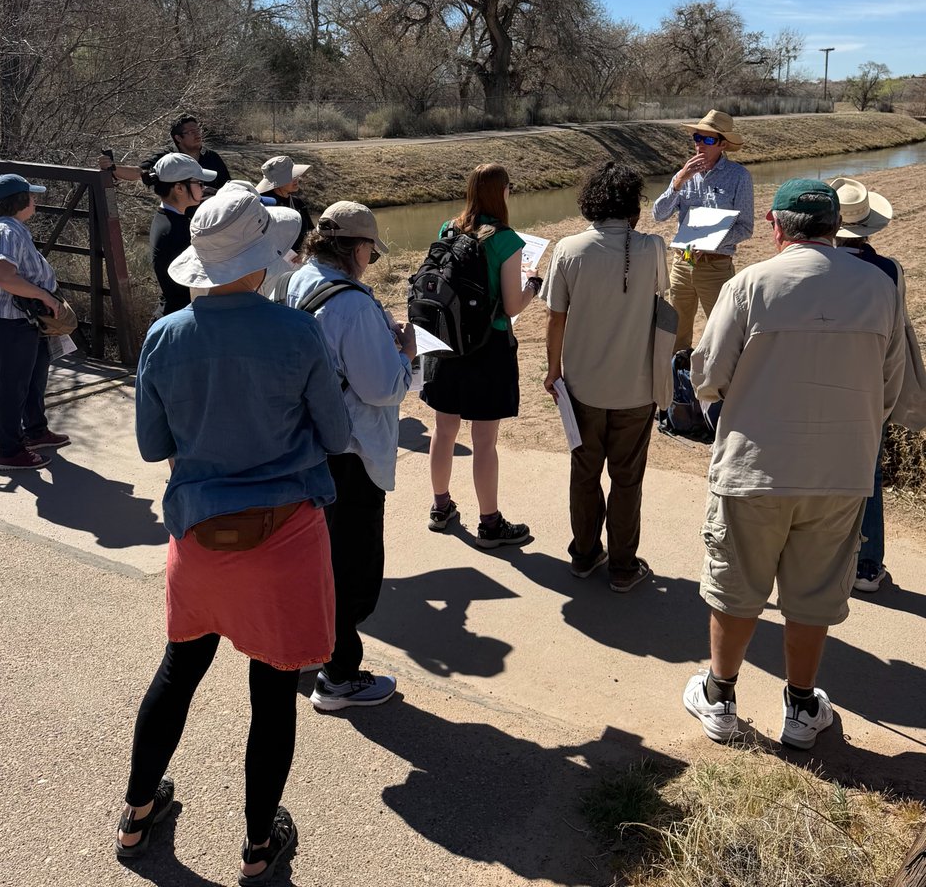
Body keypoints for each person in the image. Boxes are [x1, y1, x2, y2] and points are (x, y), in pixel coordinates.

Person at [117, 182, 350, 881]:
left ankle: (134, 816)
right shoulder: (297, 331)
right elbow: (336, 435)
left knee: (178, 670)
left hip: (199, 535)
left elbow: (152, 444)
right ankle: (256, 847)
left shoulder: (165, 335)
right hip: (283, 537)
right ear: (260, 257)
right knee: (273, 692)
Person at [683, 179, 904, 750]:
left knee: (736, 585)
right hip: (840, 471)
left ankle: (720, 697)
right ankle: (802, 708)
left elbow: (707, 375)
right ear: (835, 227)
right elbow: (891, 386)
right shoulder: (880, 289)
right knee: (813, 594)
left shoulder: (748, 284)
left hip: (754, 467)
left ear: (777, 228)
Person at [285, 201, 415, 710]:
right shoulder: (353, 305)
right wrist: (404, 350)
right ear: (358, 248)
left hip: (309, 442)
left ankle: (304, 651)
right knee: (352, 570)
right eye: (370, 252)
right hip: (352, 451)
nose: (370, 261)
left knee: (314, 559)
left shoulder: (297, 280)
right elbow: (382, 387)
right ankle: (339, 676)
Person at [541, 162, 666, 590]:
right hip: (637, 387)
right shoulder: (653, 247)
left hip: (582, 387)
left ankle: (584, 553)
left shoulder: (569, 249)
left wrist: (552, 370)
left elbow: (555, 319)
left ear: (590, 201)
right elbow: (661, 304)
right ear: (633, 204)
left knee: (585, 470)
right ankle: (623, 566)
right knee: (627, 479)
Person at [420, 163, 540, 548]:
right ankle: (490, 523)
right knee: (484, 441)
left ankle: (440, 507)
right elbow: (511, 304)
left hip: (445, 343)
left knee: (444, 429)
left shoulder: (447, 228)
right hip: (487, 348)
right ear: (501, 192)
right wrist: (533, 285)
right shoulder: (507, 240)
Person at [830, 176, 914, 593]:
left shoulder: (817, 266)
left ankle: (826, 558)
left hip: (824, 384)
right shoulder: (889, 270)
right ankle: (866, 565)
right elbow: (896, 340)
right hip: (871, 386)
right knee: (868, 478)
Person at [0, 174, 68, 472]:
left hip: (20, 316)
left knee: (34, 375)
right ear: (20, 201)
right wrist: (45, 297)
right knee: (14, 385)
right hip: (6, 318)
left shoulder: (9, 228)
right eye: (31, 196)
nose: (35, 200)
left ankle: (35, 431)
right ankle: (9, 451)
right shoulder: (3, 232)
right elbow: (4, 277)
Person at [652, 110, 753, 352]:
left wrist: (710, 242)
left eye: (708, 140)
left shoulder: (739, 176)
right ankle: (678, 382)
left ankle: (720, 386)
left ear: (723, 144)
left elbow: (746, 227)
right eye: (698, 138)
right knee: (676, 331)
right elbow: (658, 214)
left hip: (716, 266)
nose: (700, 145)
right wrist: (679, 182)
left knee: (723, 333)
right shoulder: (684, 174)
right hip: (682, 263)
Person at [147, 153, 217, 317]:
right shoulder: (175, 230)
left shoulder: (167, 218)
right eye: (199, 183)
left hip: (173, 314)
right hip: (180, 319)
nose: (204, 187)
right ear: (179, 188)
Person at [99, 115, 231, 191]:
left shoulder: (212, 157)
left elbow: (229, 187)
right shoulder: (168, 159)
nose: (197, 135)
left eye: (198, 131)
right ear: (178, 138)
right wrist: (112, 167)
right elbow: (139, 172)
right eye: (191, 132)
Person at [256, 156, 314, 253]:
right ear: (278, 181)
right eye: (291, 176)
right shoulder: (265, 205)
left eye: (295, 175)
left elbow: (310, 231)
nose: (296, 179)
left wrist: (307, 251)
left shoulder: (297, 202)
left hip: (300, 258)